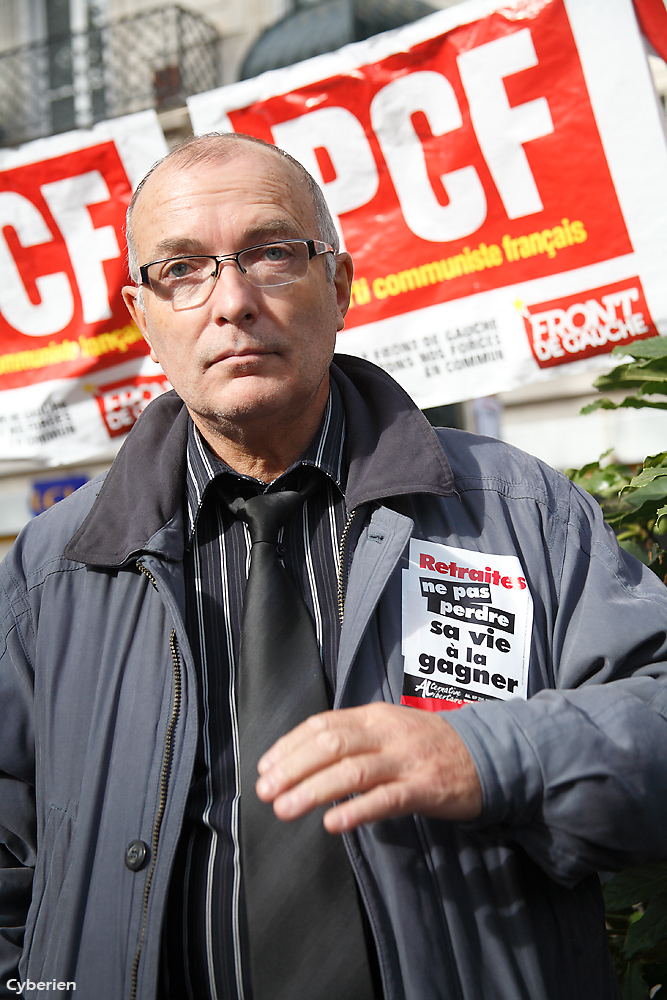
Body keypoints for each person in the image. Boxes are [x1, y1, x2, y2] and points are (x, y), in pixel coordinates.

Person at [0, 132, 666, 1000]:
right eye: (182, 270)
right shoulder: (53, 572)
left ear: (341, 285)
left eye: (270, 253)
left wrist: (495, 755)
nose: (230, 301)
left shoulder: (518, 510)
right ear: (144, 318)